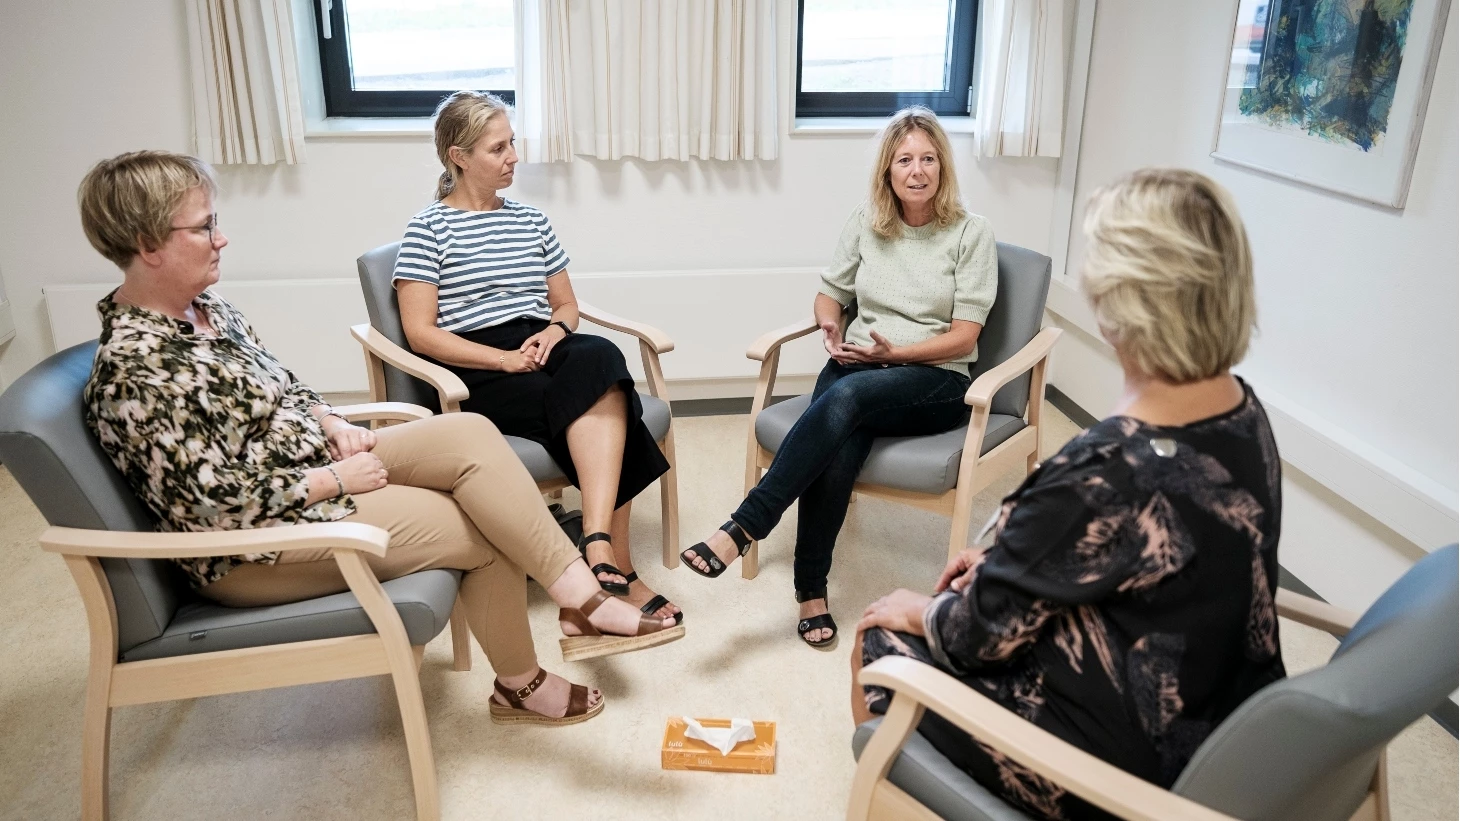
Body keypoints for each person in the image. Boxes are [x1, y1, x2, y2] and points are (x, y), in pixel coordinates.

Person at [79, 151, 682, 727]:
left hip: (310, 462)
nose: (222, 237)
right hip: (255, 545)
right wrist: (332, 479)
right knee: (485, 530)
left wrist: (332, 422)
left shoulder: (208, 310)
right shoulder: (137, 370)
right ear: (148, 245)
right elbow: (207, 507)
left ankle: (579, 597)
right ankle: (525, 682)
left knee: (470, 434)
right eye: (204, 226)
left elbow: (287, 388)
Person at [853, 168, 1285, 821]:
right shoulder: (1242, 415)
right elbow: (1146, 557)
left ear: (1116, 301)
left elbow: (973, 637)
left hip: (1115, 773)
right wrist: (1014, 558)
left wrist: (922, 609)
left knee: (880, 635)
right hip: (1221, 722)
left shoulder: (1105, 468)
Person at [680, 107, 998, 650]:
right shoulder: (867, 222)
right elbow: (831, 294)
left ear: (943, 167)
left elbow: (965, 337)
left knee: (845, 397)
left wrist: (897, 352)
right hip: (860, 365)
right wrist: (830, 325)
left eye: (928, 159)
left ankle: (745, 525)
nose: (917, 171)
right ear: (888, 170)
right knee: (839, 444)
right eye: (904, 160)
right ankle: (811, 592)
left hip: (934, 377)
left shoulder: (972, 233)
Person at [393, 91, 680, 625]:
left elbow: (566, 305)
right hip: (475, 365)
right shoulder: (427, 229)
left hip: (540, 346)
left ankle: (594, 544)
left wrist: (553, 332)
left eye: (512, 143)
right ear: (459, 157)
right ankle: (617, 569)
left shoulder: (532, 220)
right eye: (498, 148)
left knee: (600, 354)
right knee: (613, 404)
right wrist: (500, 361)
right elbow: (421, 334)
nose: (513, 157)